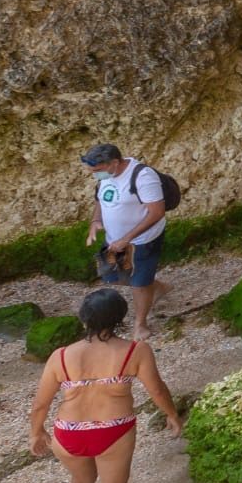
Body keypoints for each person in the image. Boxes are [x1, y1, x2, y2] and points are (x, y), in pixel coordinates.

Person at [26, 289, 183, 483]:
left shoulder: (60, 356)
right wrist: (172, 415)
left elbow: (40, 404)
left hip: (68, 432)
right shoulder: (135, 351)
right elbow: (157, 389)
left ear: (83, 318)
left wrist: (36, 433)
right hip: (114, 430)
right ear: (120, 317)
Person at [81, 144, 172, 341]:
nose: (94, 174)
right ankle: (156, 286)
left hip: (142, 240)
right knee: (116, 276)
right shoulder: (108, 175)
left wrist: (127, 239)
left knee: (139, 283)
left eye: (97, 170)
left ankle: (140, 324)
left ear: (114, 162)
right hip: (115, 240)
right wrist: (95, 221)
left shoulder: (143, 177)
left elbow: (157, 212)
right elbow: (100, 198)